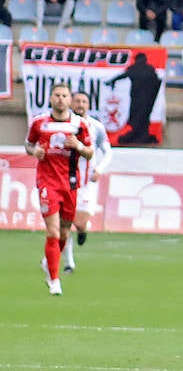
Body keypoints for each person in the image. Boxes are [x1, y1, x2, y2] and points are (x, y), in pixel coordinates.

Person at [26, 83, 93, 296]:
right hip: (47, 182)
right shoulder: (39, 122)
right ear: (50, 98)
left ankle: (49, 261)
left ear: (69, 99)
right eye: (57, 95)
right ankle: (54, 280)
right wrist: (34, 151)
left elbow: (90, 152)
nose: (61, 99)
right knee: (53, 230)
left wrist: (79, 147)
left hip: (71, 182)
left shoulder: (79, 125)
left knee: (64, 231)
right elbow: (28, 145)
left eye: (64, 96)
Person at [63, 91, 112, 274]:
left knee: (79, 222)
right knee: (65, 221)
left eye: (84, 101)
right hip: (65, 179)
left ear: (88, 105)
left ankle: (82, 232)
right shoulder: (63, 125)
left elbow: (108, 152)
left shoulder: (96, 127)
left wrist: (99, 169)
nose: (80, 104)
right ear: (70, 103)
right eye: (77, 101)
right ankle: (69, 263)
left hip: (86, 181)